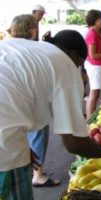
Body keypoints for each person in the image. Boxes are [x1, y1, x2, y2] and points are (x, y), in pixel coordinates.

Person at [0, 28, 101, 200]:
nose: (78, 68)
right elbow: (73, 143)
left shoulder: (25, 47)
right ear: (73, 55)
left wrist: (20, 144)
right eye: (79, 63)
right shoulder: (65, 65)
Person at [8, 14, 60, 187]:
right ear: (32, 30)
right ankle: (38, 174)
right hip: (28, 100)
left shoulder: (6, 46)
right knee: (38, 130)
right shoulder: (35, 49)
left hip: (9, 103)